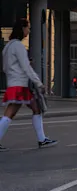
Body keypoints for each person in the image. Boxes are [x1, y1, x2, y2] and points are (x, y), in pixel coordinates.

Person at [0, 19, 55, 150]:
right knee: (22, 112)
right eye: (28, 28)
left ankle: (42, 139)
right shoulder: (18, 46)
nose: (29, 31)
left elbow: (6, 67)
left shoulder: (7, 47)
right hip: (20, 85)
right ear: (22, 29)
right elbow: (26, 68)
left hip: (13, 84)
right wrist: (38, 83)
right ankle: (42, 140)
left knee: (26, 110)